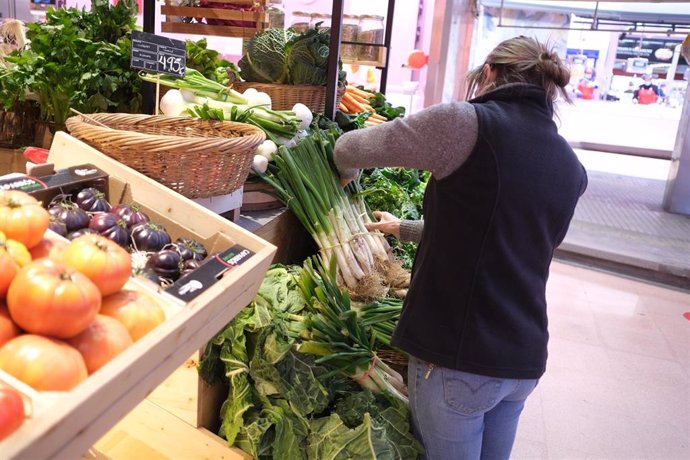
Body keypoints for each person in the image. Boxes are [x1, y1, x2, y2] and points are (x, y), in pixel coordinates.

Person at [333, 36, 588, 460]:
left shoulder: (465, 123)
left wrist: (347, 170)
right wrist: (404, 228)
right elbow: (505, 235)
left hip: (460, 356)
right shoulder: (570, 165)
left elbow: (350, 148)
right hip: (522, 358)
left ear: (489, 73)